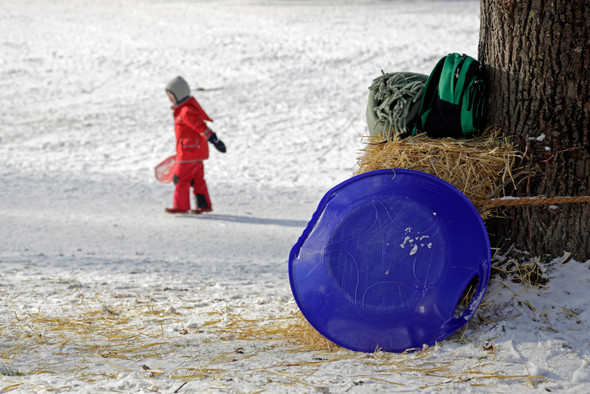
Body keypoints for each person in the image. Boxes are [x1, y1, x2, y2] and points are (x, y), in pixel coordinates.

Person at [164, 76, 226, 214]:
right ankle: (203, 205)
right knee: (197, 180)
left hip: (188, 152)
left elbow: (200, 126)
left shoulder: (185, 111)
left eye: (170, 95)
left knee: (180, 178)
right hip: (196, 152)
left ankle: (181, 206)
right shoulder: (184, 109)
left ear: (178, 95)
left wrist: (213, 138)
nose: (169, 99)